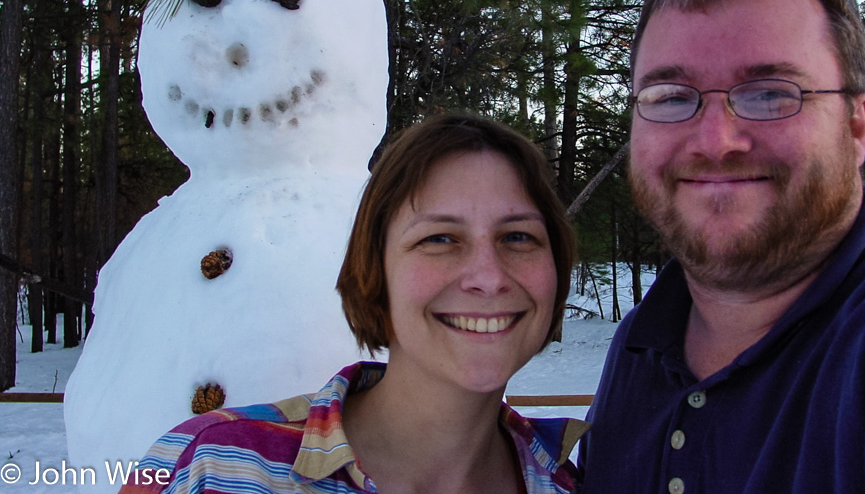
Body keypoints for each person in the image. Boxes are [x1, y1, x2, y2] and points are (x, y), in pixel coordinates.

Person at [579, 0, 865, 493]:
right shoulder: (643, 343)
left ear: (856, 125)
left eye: (773, 94)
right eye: (671, 95)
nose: (715, 141)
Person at [120, 114, 586, 494]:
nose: (488, 277)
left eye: (518, 237)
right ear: (374, 269)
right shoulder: (213, 468)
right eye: (439, 238)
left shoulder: (573, 482)